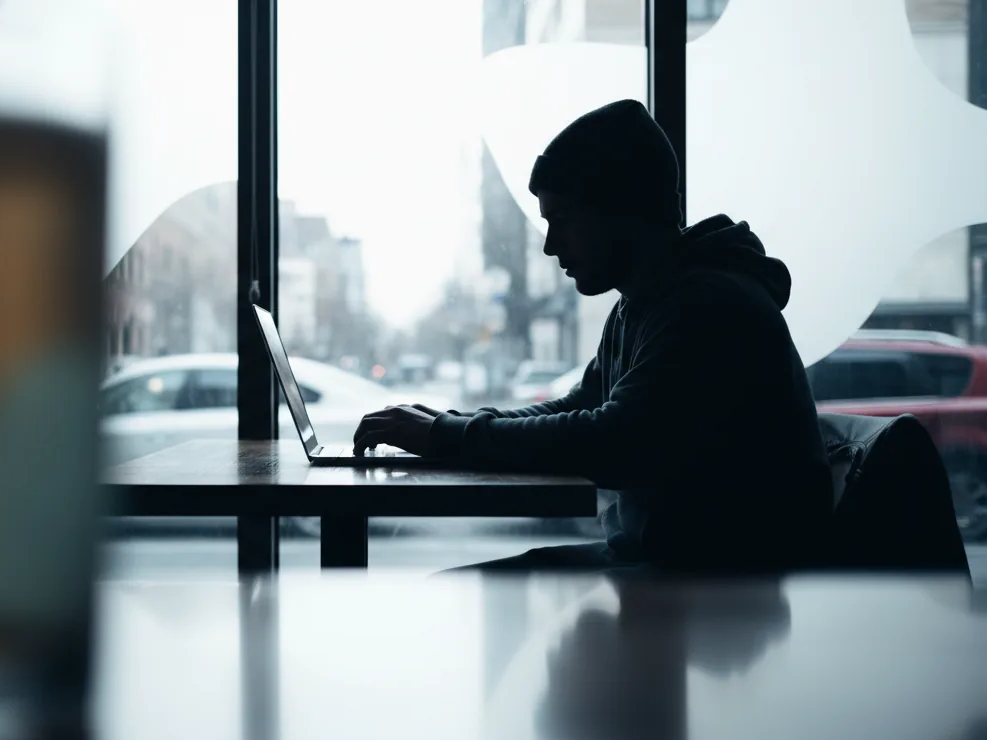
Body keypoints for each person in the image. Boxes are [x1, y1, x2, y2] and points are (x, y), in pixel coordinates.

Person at [353, 99, 832, 572]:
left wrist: (449, 433)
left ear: (624, 211)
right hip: (675, 568)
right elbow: (579, 407)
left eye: (563, 221)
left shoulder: (706, 304)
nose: (549, 245)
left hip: (723, 593)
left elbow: (614, 441)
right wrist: (453, 423)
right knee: (465, 596)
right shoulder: (646, 300)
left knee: (461, 598)